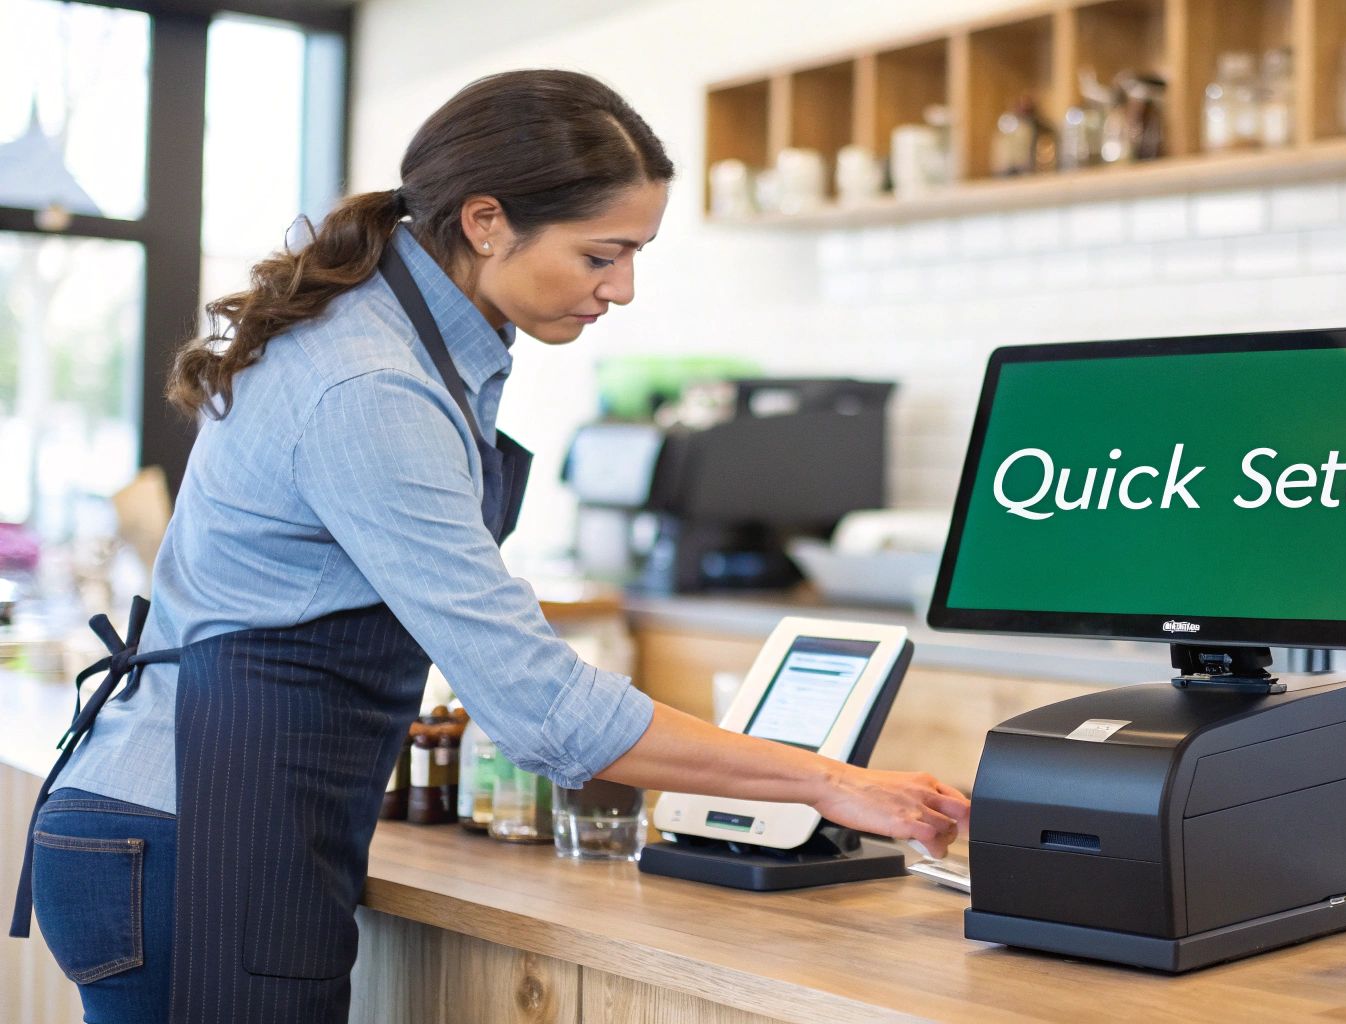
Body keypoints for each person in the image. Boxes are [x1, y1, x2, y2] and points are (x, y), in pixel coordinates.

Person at [8, 69, 969, 1024]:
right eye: (603, 254)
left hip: (213, 825)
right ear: (484, 222)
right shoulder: (372, 386)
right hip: (194, 840)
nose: (622, 289)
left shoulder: (403, 341)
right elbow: (540, 706)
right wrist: (832, 783)